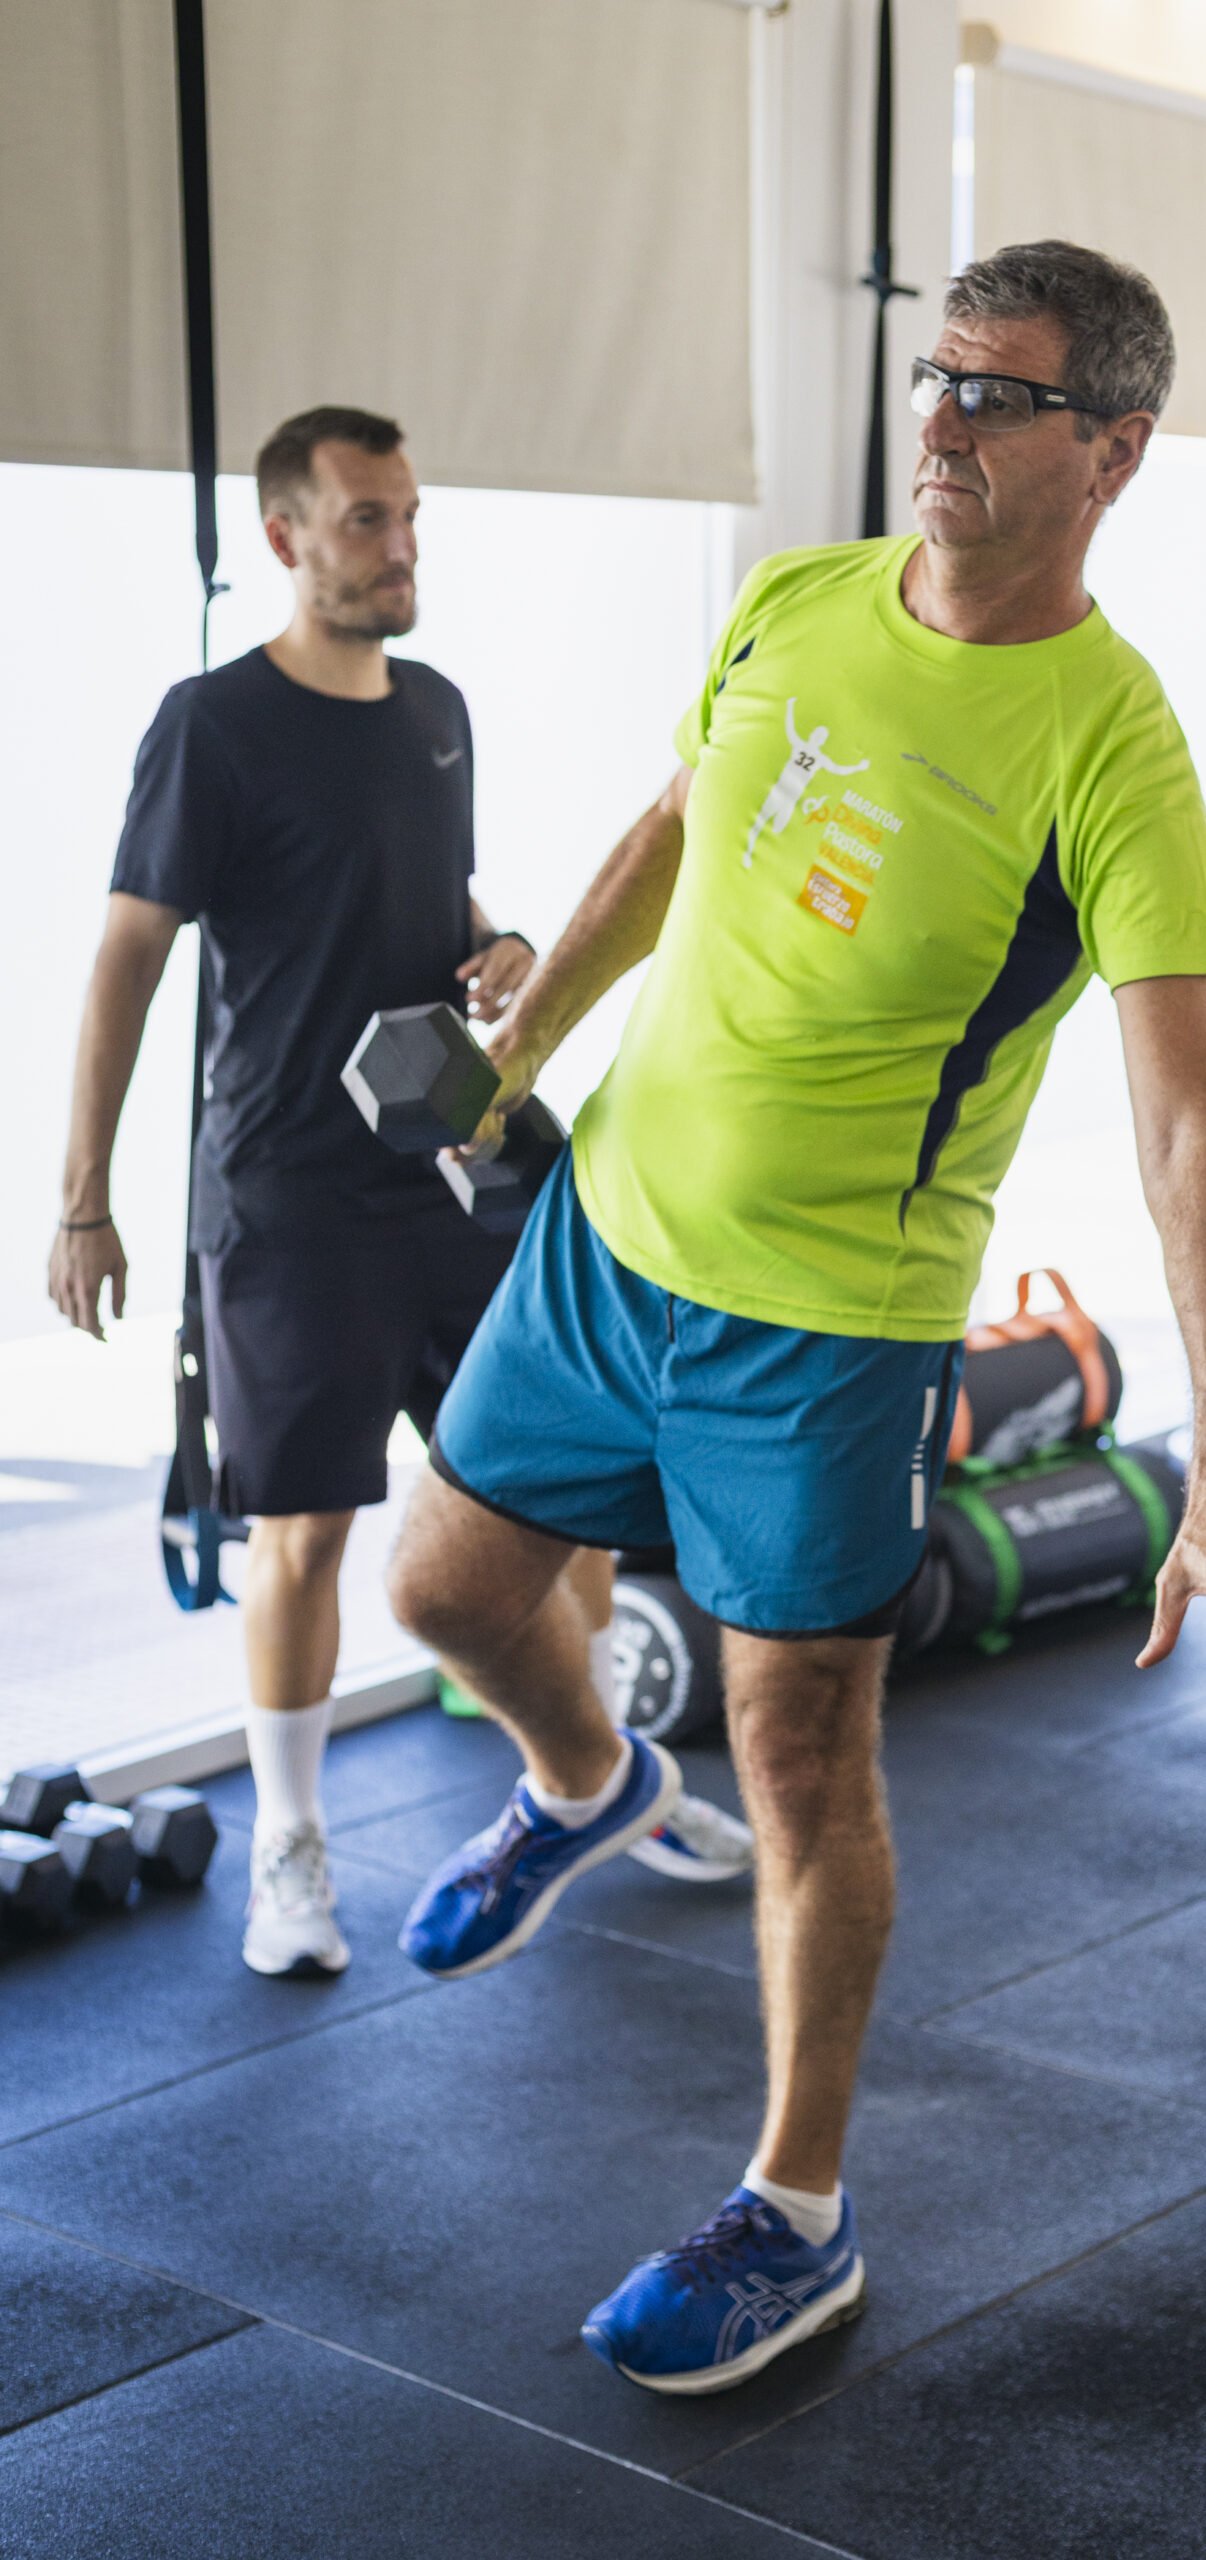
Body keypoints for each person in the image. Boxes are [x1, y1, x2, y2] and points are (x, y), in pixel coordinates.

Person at [381, 239, 1206, 2396]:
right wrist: (516, 1055)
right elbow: (666, 830)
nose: (938, 423)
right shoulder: (803, 595)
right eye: (933, 376)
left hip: (824, 1327)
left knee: (804, 1751)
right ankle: (580, 1777)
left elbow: (1187, 1115)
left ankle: (794, 2211)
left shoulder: (1113, 748)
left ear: (1111, 448)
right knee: (444, 1580)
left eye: (995, 397)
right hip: (603, 1233)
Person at [47, 405, 751, 1979]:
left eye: (410, 516)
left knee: (553, 1504)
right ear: (285, 539)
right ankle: (290, 1852)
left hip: (458, 1173)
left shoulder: (435, 708)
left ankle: (585, 1789)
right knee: (302, 1533)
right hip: (288, 1198)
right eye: (366, 521)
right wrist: (83, 1197)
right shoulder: (209, 726)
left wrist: (499, 951)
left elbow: (435, 902)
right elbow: (127, 955)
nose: (399, 547)